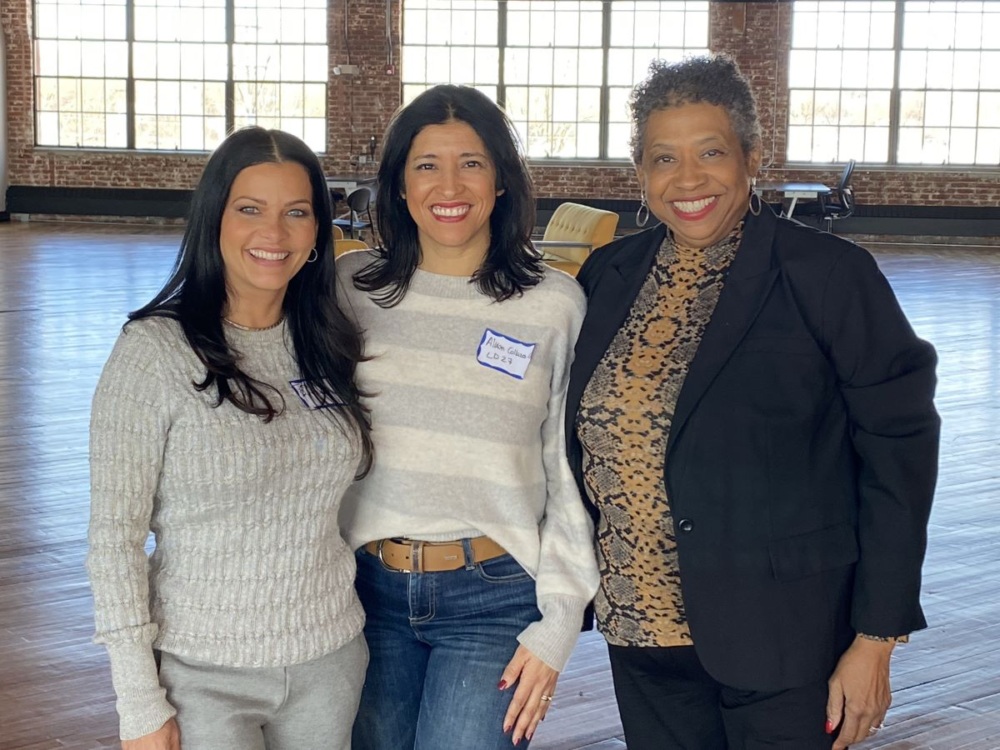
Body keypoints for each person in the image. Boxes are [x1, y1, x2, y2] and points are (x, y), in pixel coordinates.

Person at [565, 55, 940, 750]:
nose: (687, 180)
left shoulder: (827, 277)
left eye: (711, 152)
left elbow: (900, 453)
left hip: (786, 636)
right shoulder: (608, 276)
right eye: (662, 158)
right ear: (639, 171)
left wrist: (876, 638)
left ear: (752, 158)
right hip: (641, 633)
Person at [87, 126, 373, 750]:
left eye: (296, 213)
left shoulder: (328, 341)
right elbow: (115, 541)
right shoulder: (154, 352)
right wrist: (139, 701)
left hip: (330, 657)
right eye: (250, 210)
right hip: (201, 673)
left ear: (319, 233)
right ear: (214, 219)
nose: (274, 234)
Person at [336, 84, 600, 749]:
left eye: (472, 162)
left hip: (494, 597)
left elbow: (569, 472)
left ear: (503, 180)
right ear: (398, 183)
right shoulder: (348, 289)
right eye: (426, 164)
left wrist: (559, 623)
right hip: (360, 595)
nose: (448, 184)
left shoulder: (554, 305)